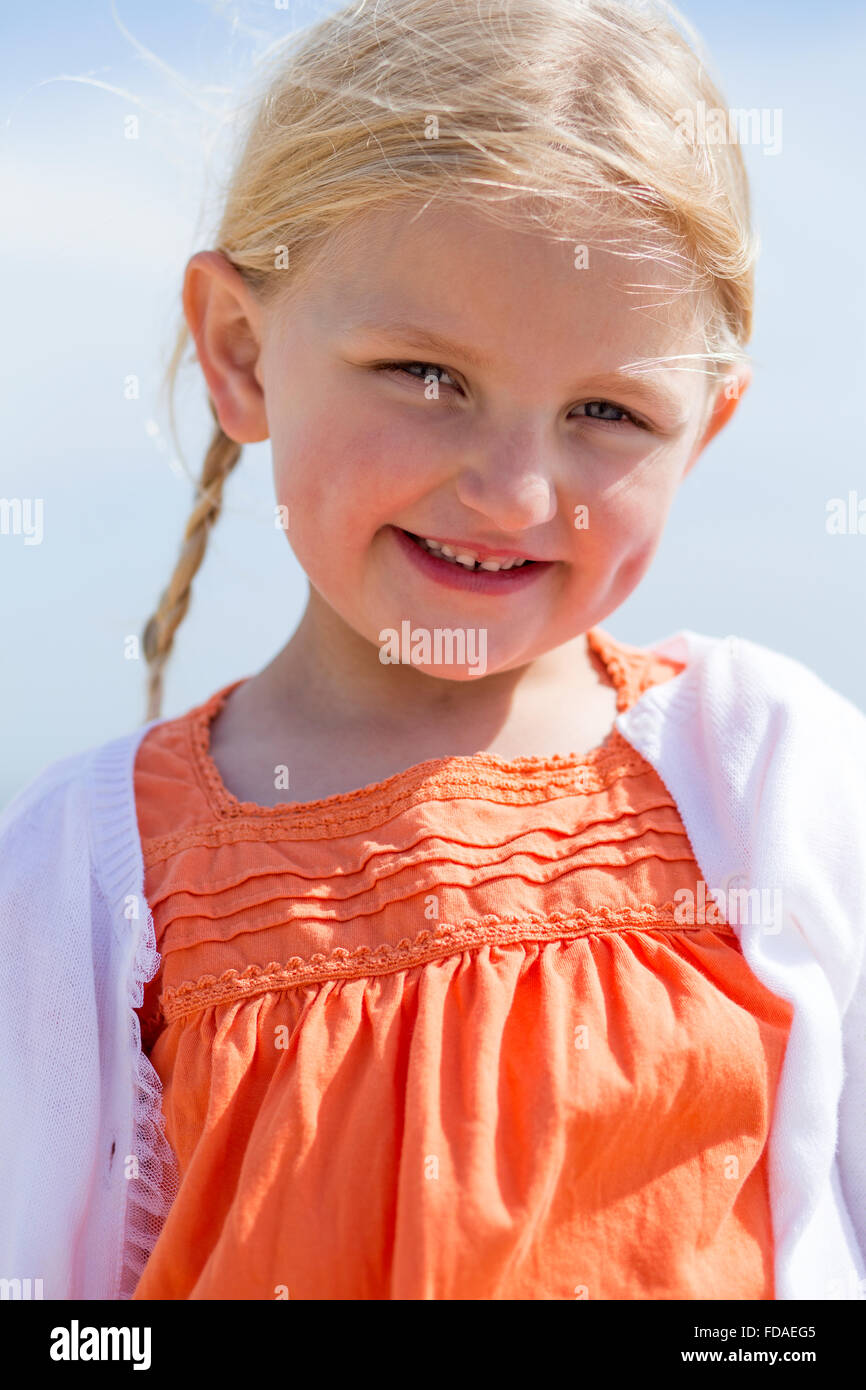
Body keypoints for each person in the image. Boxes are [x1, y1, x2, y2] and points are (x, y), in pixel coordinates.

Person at [1, 0, 864, 1301]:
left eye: (606, 410)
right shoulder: (81, 865)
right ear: (238, 351)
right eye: (423, 375)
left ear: (703, 429)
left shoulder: (767, 775)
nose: (515, 492)